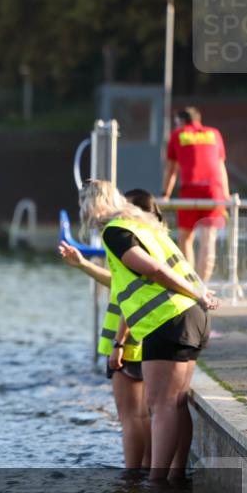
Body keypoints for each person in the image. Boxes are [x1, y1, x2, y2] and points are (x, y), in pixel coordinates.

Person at [80, 179, 217, 481]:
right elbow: (176, 266)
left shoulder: (115, 231)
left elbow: (153, 270)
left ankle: (157, 485)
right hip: (192, 317)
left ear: (92, 206)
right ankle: (175, 477)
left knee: (162, 405)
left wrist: (197, 293)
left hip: (167, 320)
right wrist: (199, 293)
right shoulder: (148, 227)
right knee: (177, 403)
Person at [58, 189, 165, 469]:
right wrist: (82, 264)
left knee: (131, 417)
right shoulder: (153, 241)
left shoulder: (126, 238)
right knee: (144, 415)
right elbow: (118, 284)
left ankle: (132, 478)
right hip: (146, 337)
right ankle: (146, 471)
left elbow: (133, 298)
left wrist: (119, 343)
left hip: (129, 343)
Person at [162, 107, 230, 284]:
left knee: (185, 237)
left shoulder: (178, 134)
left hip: (190, 190)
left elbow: (170, 169)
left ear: (180, 121)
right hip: (214, 191)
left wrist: (165, 194)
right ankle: (202, 286)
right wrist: (226, 194)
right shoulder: (214, 133)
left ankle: (189, 284)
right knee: (208, 241)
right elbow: (220, 166)